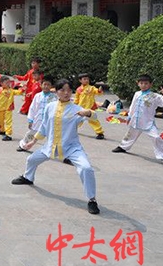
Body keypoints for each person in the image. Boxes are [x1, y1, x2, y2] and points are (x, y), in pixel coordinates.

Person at [11, 78, 101, 215]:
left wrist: (88, 113)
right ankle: (28, 178)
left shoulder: (76, 109)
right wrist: (33, 142)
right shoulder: (50, 107)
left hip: (71, 148)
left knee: (86, 168)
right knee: (31, 160)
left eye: (69, 90)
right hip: (50, 146)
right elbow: (44, 126)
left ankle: (92, 200)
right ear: (56, 91)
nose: (66, 93)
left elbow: (94, 117)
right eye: (62, 90)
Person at [111, 74, 163, 165]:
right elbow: (133, 105)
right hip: (135, 120)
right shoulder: (137, 94)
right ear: (138, 84)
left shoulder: (154, 96)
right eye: (141, 83)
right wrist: (129, 116)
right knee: (130, 135)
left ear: (150, 84)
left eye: (146, 83)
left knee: (156, 137)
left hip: (147, 122)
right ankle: (123, 147)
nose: (143, 85)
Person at [18, 77, 56, 153]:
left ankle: (65, 154)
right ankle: (23, 146)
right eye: (44, 84)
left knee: (55, 137)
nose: (46, 86)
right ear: (41, 85)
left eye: (48, 85)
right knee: (31, 134)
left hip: (49, 121)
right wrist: (30, 120)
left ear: (51, 86)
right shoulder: (37, 96)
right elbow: (32, 108)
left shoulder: (54, 97)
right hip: (38, 120)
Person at [74, 74, 105, 139]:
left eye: (87, 79)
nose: (86, 80)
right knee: (76, 120)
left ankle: (100, 133)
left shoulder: (92, 88)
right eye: (84, 79)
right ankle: (71, 130)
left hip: (90, 108)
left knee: (93, 120)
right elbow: (76, 99)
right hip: (81, 108)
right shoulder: (78, 89)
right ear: (80, 80)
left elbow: (97, 92)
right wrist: (74, 106)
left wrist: (99, 90)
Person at [0, 77, 22, 141]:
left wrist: (22, 89)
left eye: (9, 82)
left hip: (8, 109)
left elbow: (19, 92)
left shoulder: (11, 91)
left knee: (8, 121)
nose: (8, 84)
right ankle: (2, 130)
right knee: (0, 120)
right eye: (6, 83)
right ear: (1, 83)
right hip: (0, 108)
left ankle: (8, 134)